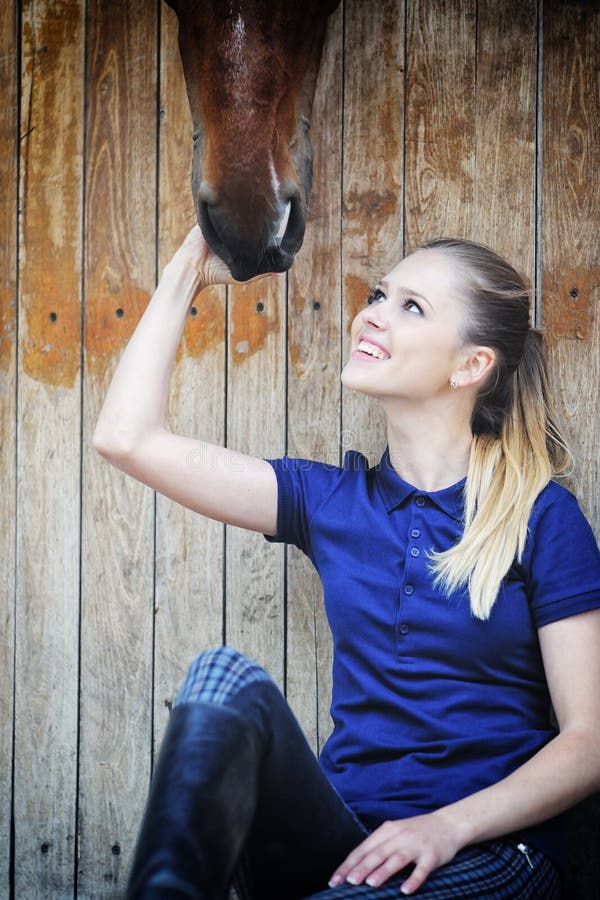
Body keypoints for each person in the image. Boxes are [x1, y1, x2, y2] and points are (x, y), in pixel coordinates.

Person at [93, 226, 600, 899]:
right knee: (221, 676)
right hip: (346, 846)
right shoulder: (328, 502)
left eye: (411, 307)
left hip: (492, 853)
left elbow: (589, 742)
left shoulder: (541, 517)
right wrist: (189, 266)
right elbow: (126, 438)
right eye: (380, 294)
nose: (371, 313)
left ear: (470, 365)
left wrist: (445, 828)